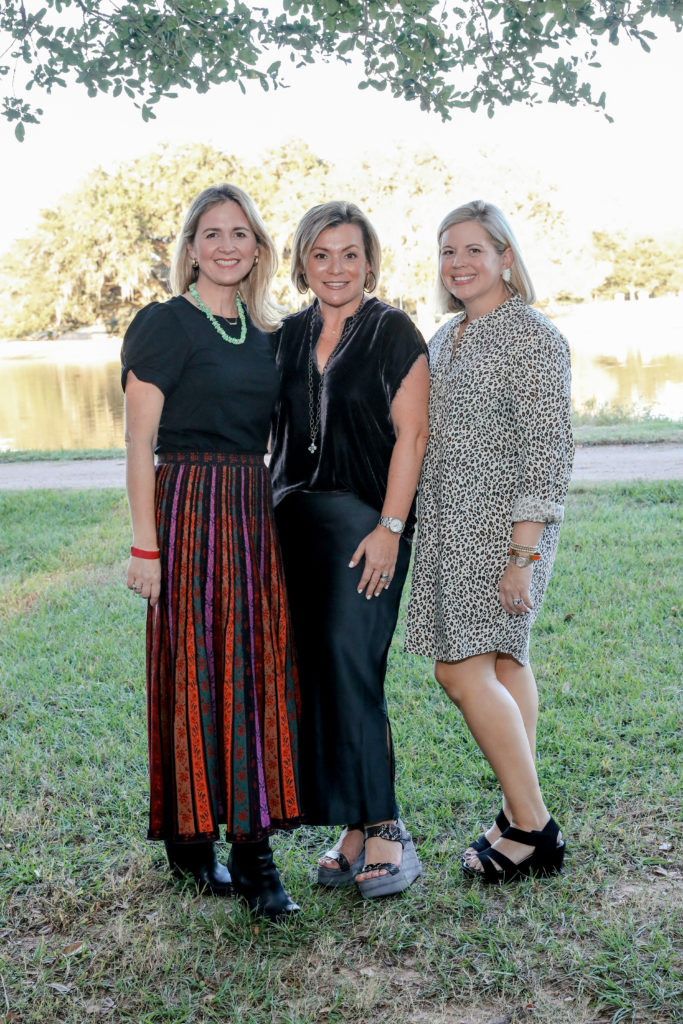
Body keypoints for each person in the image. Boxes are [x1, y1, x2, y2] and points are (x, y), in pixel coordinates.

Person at [121, 184, 303, 920]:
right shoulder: (164, 325)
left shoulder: (270, 335)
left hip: (251, 514)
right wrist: (145, 546)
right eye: (211, 233)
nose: (226, 245)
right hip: (187, 508)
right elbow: (137, 444)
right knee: (194, 672)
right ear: (190, 247)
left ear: (258, 249)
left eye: (240, 234)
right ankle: (195, 842)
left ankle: (251, 849)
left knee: (254, 676)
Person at [405, 200, 574, 883]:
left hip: (503, 530)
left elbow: (548, 448)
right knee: (505, 664)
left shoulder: (531, 335)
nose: (459, 263)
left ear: (505, 256)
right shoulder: (446, 336)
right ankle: (515, 813)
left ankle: (534, 830)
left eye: (474, 249)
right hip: (448, 525)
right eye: (448, 251)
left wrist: (522, 553)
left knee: (459, 669)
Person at [269, 201, 430, 899]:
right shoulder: (285, 334)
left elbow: (412, 438)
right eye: (321, 254)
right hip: (290, 525)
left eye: (349, 254)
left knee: (353, 667)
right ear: (302, 262)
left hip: (365, 526)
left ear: (369, 261)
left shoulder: (394, 330)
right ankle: (352, 828)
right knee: (315, 678)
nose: (336, 268)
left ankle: (388, 826)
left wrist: (390, 530)